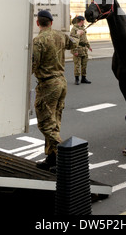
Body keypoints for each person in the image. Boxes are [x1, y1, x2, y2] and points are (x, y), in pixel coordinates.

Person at [32, 9, 81, 170]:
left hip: (48, 85)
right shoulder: (60, 35)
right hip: (61, 83)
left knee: (45, 125)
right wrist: (78, 33)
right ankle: (51, 158)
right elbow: (73, 43)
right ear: (51, 22)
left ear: (38, 23)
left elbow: (34, 65)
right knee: (54, 122)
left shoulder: (38, 40)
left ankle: (66, 156)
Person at [70, 15, 92, 85]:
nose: (84, 22)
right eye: (84, 20)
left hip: (84, 49)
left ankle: (83, 78)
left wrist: (88, 46)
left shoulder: (83, 28)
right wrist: (74, 51)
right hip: (78, 48)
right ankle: (77, 79)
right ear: (81, 21)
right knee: (77, 65)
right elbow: (73, 40)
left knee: (84, 65)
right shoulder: (74, 29)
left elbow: (85, 39)